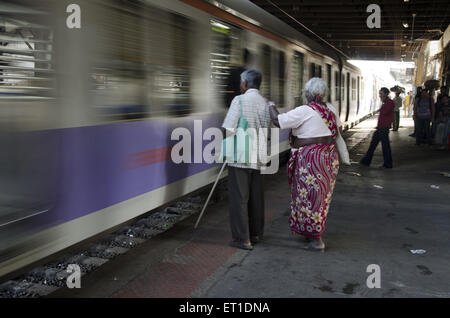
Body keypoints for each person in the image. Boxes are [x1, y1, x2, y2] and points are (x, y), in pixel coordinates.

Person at [269, 78, 341, 251]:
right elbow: (337, 131)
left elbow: (278, 121)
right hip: (329, 158)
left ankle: (316, 240)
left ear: (307, 94)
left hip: (311, 159)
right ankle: (310, 234)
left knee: (309, 198)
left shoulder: (304, 110)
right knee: (320, 199)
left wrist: (270, 105)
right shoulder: (330, 109)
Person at [222, 69, 271, 250]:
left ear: (245, 84)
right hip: (258, 156)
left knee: (239, 198)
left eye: (241, 82)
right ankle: (256, 234)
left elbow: (229, 127)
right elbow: (267, 128)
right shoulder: (264, 103)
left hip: (240, 157)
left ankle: (242, 239)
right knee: (256, 196)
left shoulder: (239, 100)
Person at [360, 87, 395, 168]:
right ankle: (366, 161)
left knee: (385, 146)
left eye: (381, 94)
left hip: (384, 128)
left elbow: (385, 112)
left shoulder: (389, 103)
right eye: (379, 93)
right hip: (380, 127)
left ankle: (388, 164)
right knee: (373, 144)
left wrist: (383, 103)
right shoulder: (386, 102)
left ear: (386, 94)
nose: (380, 95)